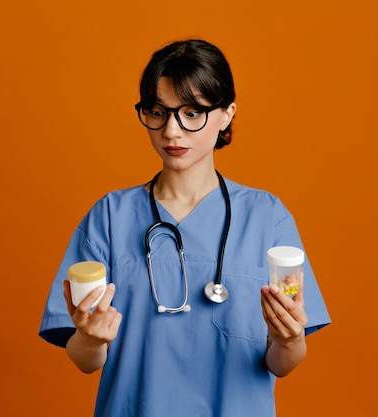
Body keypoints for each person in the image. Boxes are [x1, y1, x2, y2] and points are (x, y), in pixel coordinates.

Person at [39, 39, 330, 417]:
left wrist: (288, 339)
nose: (172, 132)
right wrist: (90, 338)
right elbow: (85, 360)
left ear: (227, 114)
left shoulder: (267, 218)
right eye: (158, 111)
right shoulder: (109, 217)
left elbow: (283, 363)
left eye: (192, 113)